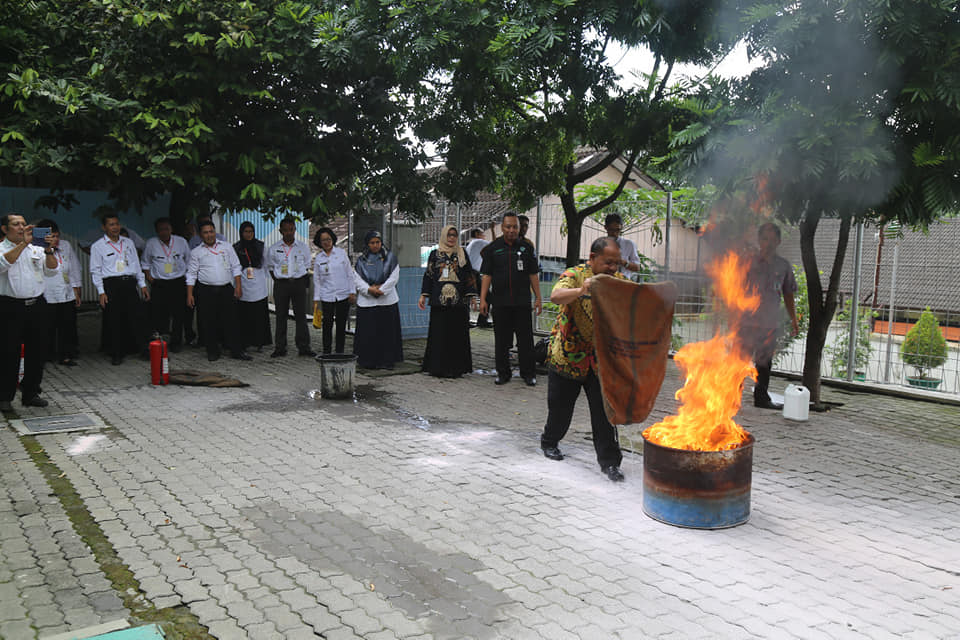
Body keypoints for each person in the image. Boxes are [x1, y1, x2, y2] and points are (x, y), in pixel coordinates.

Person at [539, 238, 627, 482]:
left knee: (604, 414)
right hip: (567, 355)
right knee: (560, 409)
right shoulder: (576, 275)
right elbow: (556, 296)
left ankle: (610, 463)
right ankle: (549, 442)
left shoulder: (619, 282)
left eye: (616, 263)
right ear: (592, 258)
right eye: (608, 262)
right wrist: (582, 291)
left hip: (600, 362)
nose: (612, 268)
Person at [0, 214, 58, 409]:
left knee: (38, 351)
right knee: (9, 352)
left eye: (24, 224)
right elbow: (2, 264)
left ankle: (31, 393)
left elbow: (52, 270)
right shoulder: (2, 248)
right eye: (16, 224)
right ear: (4, 229)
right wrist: (23, 244)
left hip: (36, 305)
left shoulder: (36, 249)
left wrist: (49, 250)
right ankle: (5, 396)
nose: (21, 227)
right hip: (10, 306)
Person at [741, 222, 800, 409]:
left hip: (769, 323)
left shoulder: (783, 266)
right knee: (738, 361)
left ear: (779, 241)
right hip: (747, 322)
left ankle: (761, 398)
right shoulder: (748, 263)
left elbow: (788, 294)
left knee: (764, 363)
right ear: (759, 240)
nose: (769, 243)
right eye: (765, 239)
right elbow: (734, 290)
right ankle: (729, 397)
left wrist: (793, 319)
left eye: (773, 239)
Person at [479, 212, 542, 386]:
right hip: (500, 301)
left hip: (522, 301)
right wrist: (483, 299)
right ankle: (502, 373)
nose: (512, 230)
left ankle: (528, 374)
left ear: (519, 228)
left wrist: (538, 298)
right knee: (501, 340)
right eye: (508, 227)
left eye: (515, 227)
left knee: (525, 340)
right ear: (502, 227)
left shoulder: (526, 248)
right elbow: (487, 275)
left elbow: (533, 274)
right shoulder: (494, 248)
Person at [186, 220, 251, 362]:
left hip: (226, 289)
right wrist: (190, 294)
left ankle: (236, 350)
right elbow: (191, 274)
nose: (209, 235)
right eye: (206, 232)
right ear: (200, 235)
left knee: (232, 320)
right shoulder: (196, 252)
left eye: (211, 231)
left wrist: (238, 286)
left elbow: (236, 267)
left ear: (215, 232)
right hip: (206, 290)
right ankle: (212, 351)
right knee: (209, 321)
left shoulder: (227, 247)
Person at [90, 213, 150, 365]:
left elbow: (136, 264)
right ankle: (117, 353)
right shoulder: (98, 246)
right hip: (111, 285)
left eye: (117, 224)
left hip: (129, 283)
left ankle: (144, 350)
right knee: (114, 320)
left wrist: (142, 285)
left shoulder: (128, 242)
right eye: (111, 224)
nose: (115, 227)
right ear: (104, 227)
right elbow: (95, 270)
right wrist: (101, 292)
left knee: (137, 317)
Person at [418, 225, 478, 378]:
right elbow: (429, 275)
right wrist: (423, 295)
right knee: (439, 335)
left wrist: (472, 297)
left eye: (454, 235)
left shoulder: (462, 253)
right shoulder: (435, 255)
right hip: (440, 302)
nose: (451, 238)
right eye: (449, 235)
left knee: (457, 335)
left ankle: (457, 368)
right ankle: (438, 368)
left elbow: (469, 275)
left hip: (459, 303)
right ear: (444, 236)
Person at [265, 217, 314, 357]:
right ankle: (280, 348)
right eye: (285, 230)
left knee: (301, 316)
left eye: (291, 229)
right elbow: (270, 268)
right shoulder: (274, 248)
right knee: (281, 316)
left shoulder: (303, 247)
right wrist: (281, 280)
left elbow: (307, 265)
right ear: (281, 231)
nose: (289, 232)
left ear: (295, 230)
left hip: (298, 283)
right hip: (281, 285)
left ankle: (304, 347)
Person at [353, 230, 403, 369]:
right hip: (367, 302)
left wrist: (381, 290)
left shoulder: (390, 258)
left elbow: (394, 277)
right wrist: (369, 290)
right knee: (368, 334)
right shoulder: (361, 260)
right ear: (367, 244)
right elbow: (357, 279)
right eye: (372, 243)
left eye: (378, 242)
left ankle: (387, 361)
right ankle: (368, 362)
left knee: (387, 334)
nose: (375, 245)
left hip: (387, 301)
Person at [141, 217, 191, 352]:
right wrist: (149, 278)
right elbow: (145, 262)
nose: (164, 232)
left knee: (179, 314)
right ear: (157, 231)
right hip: (159, 284)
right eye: (161, 230)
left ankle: (176, 342)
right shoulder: (151, 243)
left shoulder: (181, 242)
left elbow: (189, 259)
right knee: (158, 314)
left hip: (178, 283)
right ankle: (160, 341)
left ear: (171, 229)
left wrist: (185, 275)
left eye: (166, 229)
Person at [38, 220, 81, 366]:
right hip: (46, 294)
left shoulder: (66, 246)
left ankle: (66, 354)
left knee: (67, 325)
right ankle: (46, 354)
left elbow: (74, 268)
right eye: (52, 236)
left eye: (57, 236)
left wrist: (76, 290)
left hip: (66, 292)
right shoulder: (37, 249)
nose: (55, 240)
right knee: (47, 326)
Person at [312, 227, 354, 355]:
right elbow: (317, 280)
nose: (326, 242)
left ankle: (339, 351)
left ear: (333, 239)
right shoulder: (319, 258)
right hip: (327, 296)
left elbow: (349, 274)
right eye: (323, 240)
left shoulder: (341, 253)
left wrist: (352, 292)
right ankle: (327, 352)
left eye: (328, 239)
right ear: (319, 242)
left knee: (341, 324)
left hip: (343, 294)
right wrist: (316, 299)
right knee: (327, 324)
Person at [234, 221, 272, 352]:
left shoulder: (261, 246)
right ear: (241, 233)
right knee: (244, 315)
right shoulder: (237, 247)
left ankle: (259, 342)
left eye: (251, 232)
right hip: (244, 282)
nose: (248, 234)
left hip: (258, 284)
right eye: (246, 232)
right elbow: (234, 267)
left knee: (259, 315)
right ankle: (245, 341)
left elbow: (266, 263)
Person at [465, 228, 491, 327]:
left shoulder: (470, 244)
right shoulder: (479, 242)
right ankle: (482, 320)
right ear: (477, 234)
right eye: (483, 234)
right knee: (487, 297)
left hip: (469, 273)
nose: (484, 236)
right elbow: (494, 245)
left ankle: (466, 321)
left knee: (467, 296)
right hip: (474, 273)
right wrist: (492, 230)